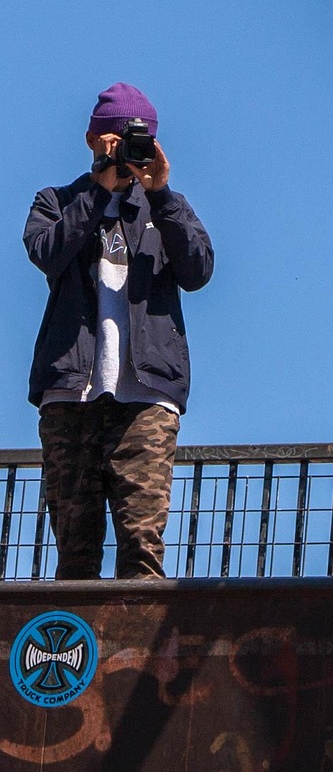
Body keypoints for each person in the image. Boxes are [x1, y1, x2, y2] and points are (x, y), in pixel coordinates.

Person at [23, 83, 214, 579]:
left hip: (146, 398)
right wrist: (97, 191)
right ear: (92, 139)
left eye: (138, 140)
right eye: (115, 138)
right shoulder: (58, 201)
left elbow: (198, 271)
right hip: (71, 395)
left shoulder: (165, 208)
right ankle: (76, 634)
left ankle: (138, 633)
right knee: (75, 551)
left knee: (142, 547)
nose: (127, 150)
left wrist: (161, 194)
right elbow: (45, 252)